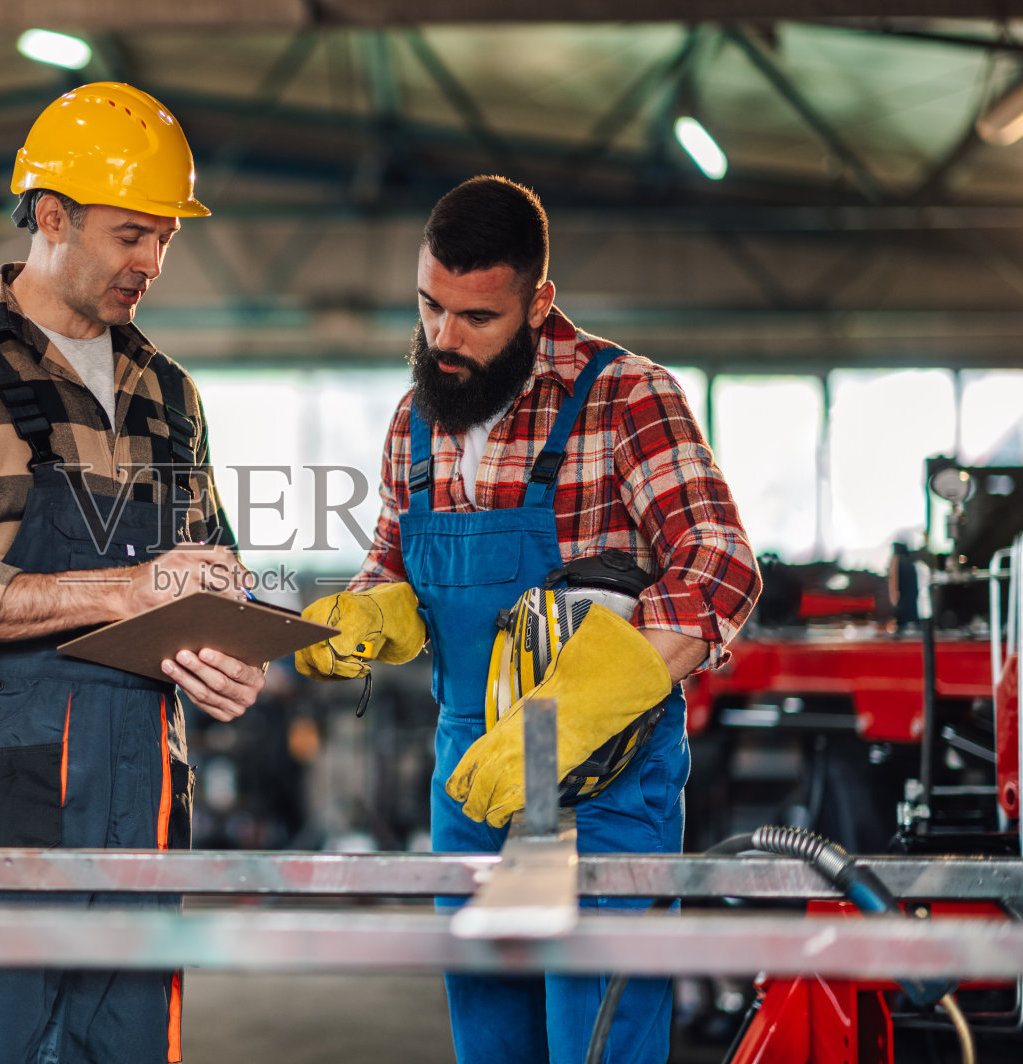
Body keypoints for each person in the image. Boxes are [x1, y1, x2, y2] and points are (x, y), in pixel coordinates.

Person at [296, 175, 761, 1064]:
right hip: (473, 770)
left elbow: (721, 563)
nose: (443, 339)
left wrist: (582, 702)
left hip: (599, 776)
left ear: (539, 301)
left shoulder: (626, 397)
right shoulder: (414, 421)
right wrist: (369, 611)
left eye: (477, 317)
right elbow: (393, 557)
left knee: (595, 1036)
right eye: (429, 307)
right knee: (490, 1033)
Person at [0, 82, 266, 1064]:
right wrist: (119, 594)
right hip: (2, 765)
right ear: (52, 216)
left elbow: (209, 565)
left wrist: (233, 648)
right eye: (133, 234)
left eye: (166, 238)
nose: (153, 263)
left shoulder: (169, 393)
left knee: (126, 1044)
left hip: (144, 769)